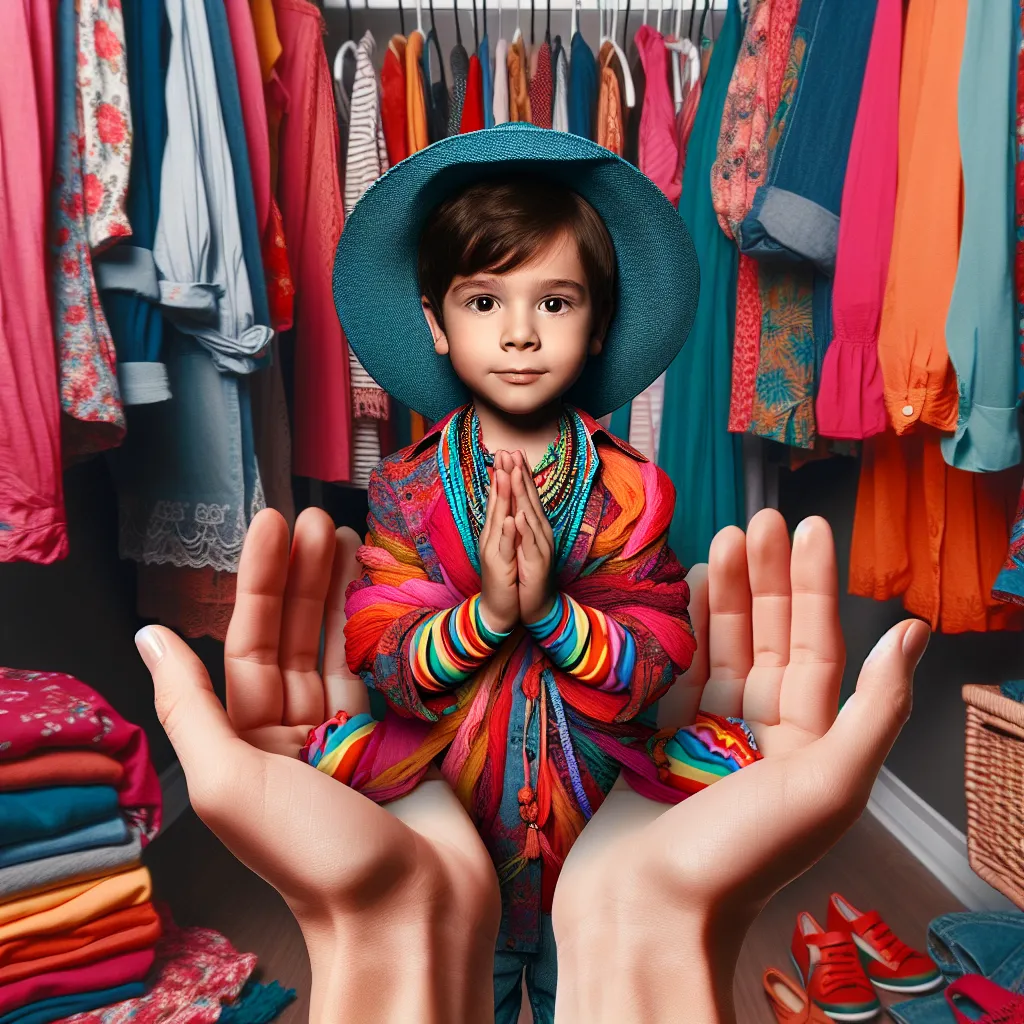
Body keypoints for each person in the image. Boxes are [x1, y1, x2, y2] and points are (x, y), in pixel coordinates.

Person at [292, 121, 762, 1024]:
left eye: (554, 303)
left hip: (593, 830)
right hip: (452, 831)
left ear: (595, 328)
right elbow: (377, 649)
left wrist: (550, 611)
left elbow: (658, 655)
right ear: (435, 323)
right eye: (482, 303)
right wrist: (485, 616)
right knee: (457, 993)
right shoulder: (405, 487)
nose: (517, 334)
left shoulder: (631, 488)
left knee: (581, 993)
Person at [135, 505, 928, 1024]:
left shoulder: (620, 517)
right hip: (486, 819)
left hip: (568, 820)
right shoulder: (419, 517)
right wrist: (648, 925)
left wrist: (393, 929)